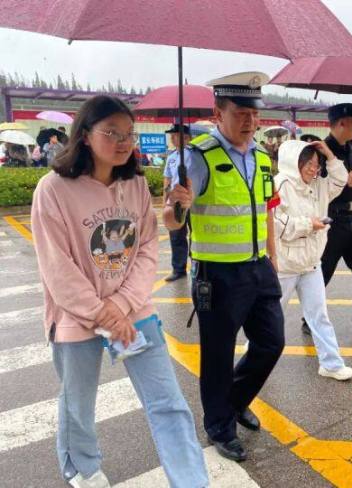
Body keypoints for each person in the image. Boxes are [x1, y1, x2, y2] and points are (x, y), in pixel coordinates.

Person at [30, 96, 208, 488]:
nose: (123, 141)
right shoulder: (53, 189)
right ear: (86, 136)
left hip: (134, 312)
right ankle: (84, 467)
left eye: (128, 133)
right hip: (76, 318)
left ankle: (192, 480)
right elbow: (57, 267)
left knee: (168, 403)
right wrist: (102, 313)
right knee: (78, 403)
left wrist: (122, 306)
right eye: (111, 132)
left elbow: (147, 248)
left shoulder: (136, 184)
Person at [164, 72, 284, 462]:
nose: (249, 121)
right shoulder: (196, 157)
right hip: (217, 274)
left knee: (271, 342)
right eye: (240, 113)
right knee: (217, 355)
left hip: (257, 268)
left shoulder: (263, 157)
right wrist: (176, 203)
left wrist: (272, 259)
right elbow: (173, 220)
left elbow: (264, 211)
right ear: (218, 113)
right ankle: (219, 425)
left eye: (254, 113)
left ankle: (234, 400)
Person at [301, 103, 352, 338]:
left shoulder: (351, 148)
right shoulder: (320, 150)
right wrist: (343, 181)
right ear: (341, 124)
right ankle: (309, 318)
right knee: (322, 273)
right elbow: (315, 188)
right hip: (332, 221)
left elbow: (350, 180)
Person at [274, 139, 352, 380]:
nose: (313, 169)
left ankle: (331, 364)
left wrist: (329, 154)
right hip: (286, 266)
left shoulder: (319, 185)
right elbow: (277, 225)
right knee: (271, 317)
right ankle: (255, 356)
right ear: (293, 162)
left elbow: (340, 180)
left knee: (319, 315)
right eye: (308, 163)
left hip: (311, 264)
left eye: (316, 164)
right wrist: (309, 225)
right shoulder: (279, 186)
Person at [162, 123, 192, 282]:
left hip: (192, 199)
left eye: (176, 135)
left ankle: (197, 265)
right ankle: (178, 269)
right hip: (175, 201)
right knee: (176, 235)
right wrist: (165, 201)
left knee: (196, 234)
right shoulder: (172, 156)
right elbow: (167, 179)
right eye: (172, 136)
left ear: (186, 137)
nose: (172, 138)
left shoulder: (194, 154)